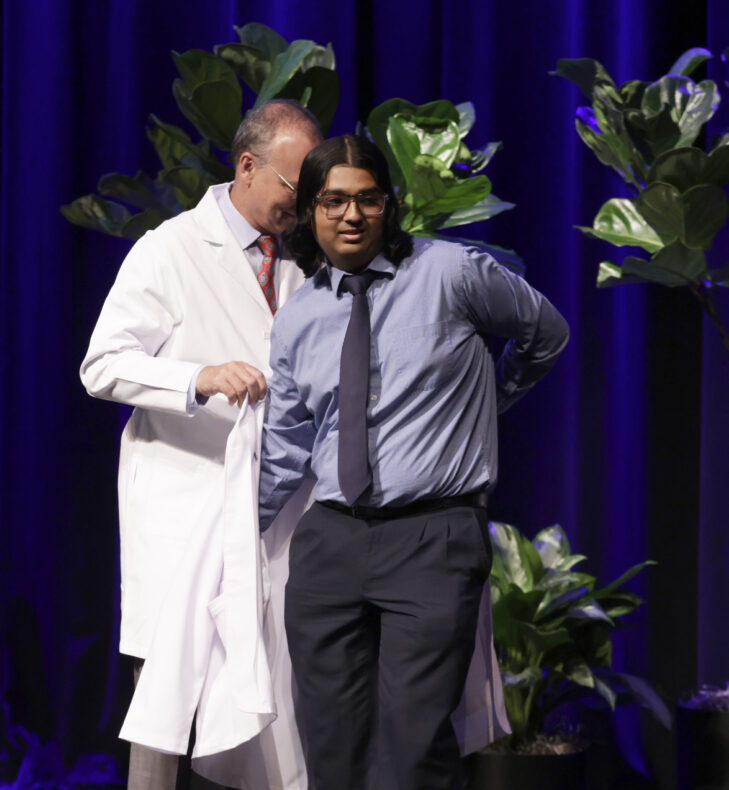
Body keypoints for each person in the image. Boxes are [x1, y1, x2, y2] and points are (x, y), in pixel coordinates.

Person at [258, 134, 570, 790]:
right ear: (311, 212)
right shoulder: (297, 317)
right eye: (333, 201)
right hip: (330, 543)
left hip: (431, 538)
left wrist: (493, 396)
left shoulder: (451, 274)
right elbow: (285, 446)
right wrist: (230, 541)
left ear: (389, 206)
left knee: (410, 753)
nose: (350, 215)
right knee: (331, 755)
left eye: (366, 199)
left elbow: (545, 332)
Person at [80, 99, 322, 790]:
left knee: (267, 705)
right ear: (246, 166)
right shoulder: (170, 248)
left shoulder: (298, 265)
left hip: (269, 516)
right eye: (292, 186)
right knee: (165, 712)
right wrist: (198, 377)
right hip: (186, 508)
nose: (303, 205)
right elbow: (101, 366)